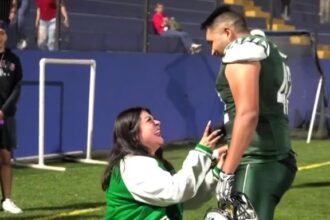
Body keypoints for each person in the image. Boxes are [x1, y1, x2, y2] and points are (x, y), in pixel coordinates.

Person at [201, 6, 297, 220]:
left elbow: (248, 114)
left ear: (227, 32)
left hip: (258, 161)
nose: (212, 51)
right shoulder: (268, 48)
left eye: (211, 42)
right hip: (273, 156)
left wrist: (227, 172)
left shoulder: (241, 50)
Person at [102, 107, 227, 220]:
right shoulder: (131, 166)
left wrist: (217, 168)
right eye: (149, 120)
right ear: (133, 134)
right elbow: (176, 190)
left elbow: (184, 199)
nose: (157, 122)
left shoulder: (148, 163)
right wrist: (203, 152)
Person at [0, 20, 23, 214]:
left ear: (6, 36)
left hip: (6, 116)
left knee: (6, 157)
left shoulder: (14, 60)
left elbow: (17, 88)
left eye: (1, 32)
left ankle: (7, 200)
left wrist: (3, 110)